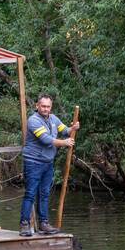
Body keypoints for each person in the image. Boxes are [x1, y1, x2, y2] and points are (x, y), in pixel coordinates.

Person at [19, 94, 80, 236]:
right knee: (30, 193)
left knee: (44, 193)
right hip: (33, 162)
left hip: (47, 163)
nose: (46, 109)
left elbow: (65, 130)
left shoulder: (53, 119)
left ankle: (44, 224)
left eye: (48, 106)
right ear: (37, 106)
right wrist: (64, 142)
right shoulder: (33, 120)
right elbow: (46, 139)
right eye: (43, 106)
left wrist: (73, 128)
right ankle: (24, 225)